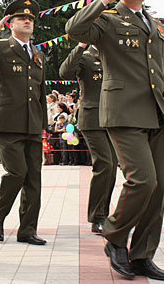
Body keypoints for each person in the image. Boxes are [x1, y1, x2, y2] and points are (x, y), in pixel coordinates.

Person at [65, 0, 164, 280]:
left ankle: (143, 255)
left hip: (157, 115)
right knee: (142, 180)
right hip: (123, 113)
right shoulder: (108, 19)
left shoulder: (155, 26)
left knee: (158, 189)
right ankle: (115, 236)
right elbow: (74, 29)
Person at [0, 0, 47, 246]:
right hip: (8, 123)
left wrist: (43, 123)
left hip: (33, 123)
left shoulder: (37, 54)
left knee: (34, 178)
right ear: (10, 24)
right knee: (17, 172)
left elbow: (41, 91)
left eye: (30, 19)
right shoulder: (1, 47)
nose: (27, 21)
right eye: (21, 18)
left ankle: (28, 230)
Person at [59, 43, 117, 235]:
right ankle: (97, 217)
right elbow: (65, 72)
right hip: (92, 118)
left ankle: (105, 214)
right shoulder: (85, 56)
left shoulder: (112, 54)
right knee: (105, 164)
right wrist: (80, 45)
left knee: (112, 168)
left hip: (114, 118)